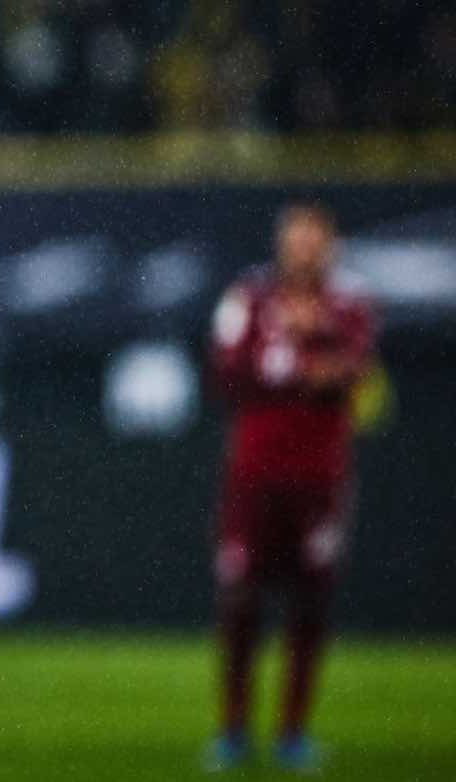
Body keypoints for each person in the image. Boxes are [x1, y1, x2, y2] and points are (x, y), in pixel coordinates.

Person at [205, 203, 374, 772]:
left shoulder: (349, 305)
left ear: (329, 246)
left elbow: (352, 371)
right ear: (280, 244)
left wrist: (297, 358)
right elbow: (228, 371)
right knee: (240, 596)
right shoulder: (248, 299)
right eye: (294, 239)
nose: (303, 249)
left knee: (311, 597)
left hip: (320, 476)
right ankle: (232, 726)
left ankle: (293, 729)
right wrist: (306, 367)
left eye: (314, 239)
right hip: (254, 473)